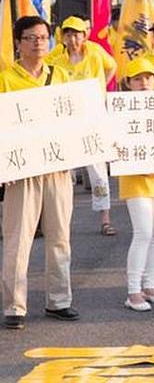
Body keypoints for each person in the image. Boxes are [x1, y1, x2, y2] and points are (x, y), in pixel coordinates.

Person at [2, 16, 78, 329]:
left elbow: (78, 118)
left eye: (44, 37)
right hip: (22, 170)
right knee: (17, 240)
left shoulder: (61, 75)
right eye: (31, 38)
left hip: (58, 167)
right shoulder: (6, 79)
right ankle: (14, 305)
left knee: (60, 236)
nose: (38, 43)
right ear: (18, 43)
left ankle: (59, 301)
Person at [45, 16, 119, 236]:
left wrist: (101, 89)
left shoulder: (95, 52)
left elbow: (112, 67)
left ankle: (105, 218)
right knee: (64, 171)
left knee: (98, 170)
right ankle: (61, 221)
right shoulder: (56, 58)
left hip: (92, 117)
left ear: (84, 35)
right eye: (68, 33)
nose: (73, 38)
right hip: (66, 120)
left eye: (77, 33)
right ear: (62, 36)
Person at [119, 58, 154, 312]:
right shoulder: (120, 109)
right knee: (142, 231)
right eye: (138, 79)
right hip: (135, 178)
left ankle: (150, 285)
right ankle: (133, 291)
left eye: (148, 78)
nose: (144, 83)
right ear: (128, 83)